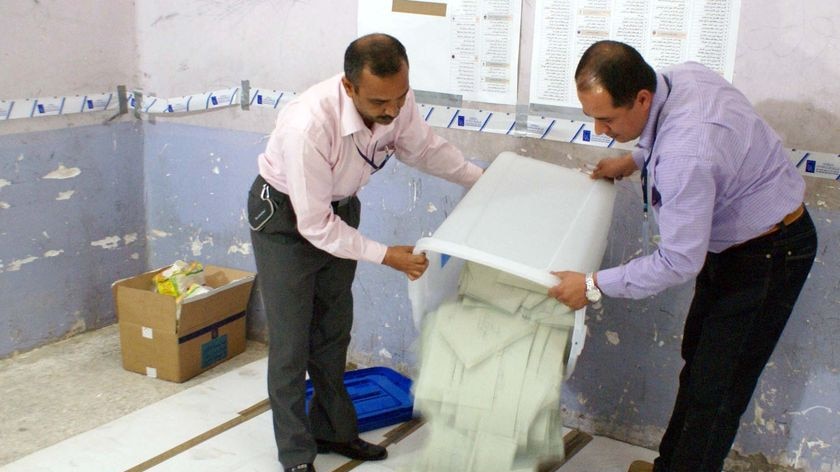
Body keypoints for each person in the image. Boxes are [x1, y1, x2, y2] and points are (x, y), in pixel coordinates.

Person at [549, 40, 817, 472]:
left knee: (718, 389)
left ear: (641, 98)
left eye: (607, 119)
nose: (599, 130)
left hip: (770, 254)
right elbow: (670, 137)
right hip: (733, 245)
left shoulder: (684, 154)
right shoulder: (681, 78)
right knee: (698, 363)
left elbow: (677, 261)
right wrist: (634, 159)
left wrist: (591, 286)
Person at [247, 33, 483, 472]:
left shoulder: (394, 99)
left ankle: (333, 431)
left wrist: (480, 179)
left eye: (400, 97)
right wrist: (386, 255)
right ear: (349, 87)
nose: (392, 111)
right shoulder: (308, 125)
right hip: (284, 219)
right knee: (291, 343)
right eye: (379, 102)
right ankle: (297, 455)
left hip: (340, 210)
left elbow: (425, 148)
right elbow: (313, 224)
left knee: (333, 331)